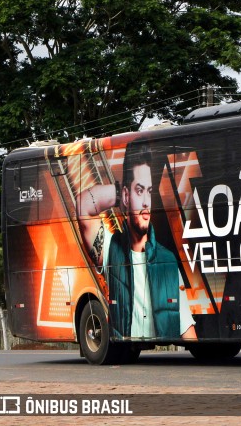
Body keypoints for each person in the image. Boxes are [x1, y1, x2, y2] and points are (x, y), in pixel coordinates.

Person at [77, 142, 196, 340]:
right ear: (125, 195)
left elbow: (185, 325)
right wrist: (120, 194)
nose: (146, 202)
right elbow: (83, 204)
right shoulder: (108, 249)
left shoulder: (167, 261)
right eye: (139, 190)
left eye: (149, 191)